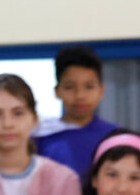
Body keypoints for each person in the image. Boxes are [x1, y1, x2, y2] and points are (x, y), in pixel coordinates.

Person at [35, 46, 116, 175]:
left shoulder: (115, 137)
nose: (80, 95)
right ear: (57, 91)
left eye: (89, 87)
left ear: (101, 91)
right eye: (70, 87)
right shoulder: (40, 137)